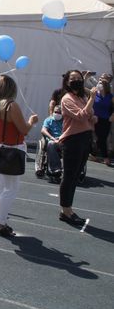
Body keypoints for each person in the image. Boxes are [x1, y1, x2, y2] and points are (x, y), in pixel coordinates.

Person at [0, 75, 38, 237]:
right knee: (11, 188)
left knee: (2, 186)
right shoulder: (11, 106)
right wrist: (32, 121)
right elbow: (24, 129)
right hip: (12, 150)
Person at [58, 70, 95, 226]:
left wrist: (92, 114)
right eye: (73, 79)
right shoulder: (67, 99)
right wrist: (92, 98)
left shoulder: (81, 96)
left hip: (84, 138)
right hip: (73, 140)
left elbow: (90, 114)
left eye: (79, 78)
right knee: (69, 176)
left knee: (75, 176)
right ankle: (65, 211)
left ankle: (68, 209)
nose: (77, 81)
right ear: (67, 82)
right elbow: (81, 115)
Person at [41, 103, 64, 183]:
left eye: (59, 112)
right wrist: (52, 138)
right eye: (56, 112)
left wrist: (61, 138)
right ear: (53, 112)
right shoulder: (49, 120)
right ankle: (55, 169)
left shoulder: (65, 121)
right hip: (52, 139)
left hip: (63, 140)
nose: (57, 114)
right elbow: (43, 130)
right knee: (51, 144)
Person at [92, 77, 113, 165]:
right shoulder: (94, 94)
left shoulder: (110, 96)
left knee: (102, 138)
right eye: (98, 83)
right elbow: (82, 89)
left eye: (101, 83)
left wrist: (112, 115)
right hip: (95, 119)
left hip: (106, 120)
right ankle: (100, 156)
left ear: (105, 86)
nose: (99, 84)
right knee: (96, 137)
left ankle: (100, 156)